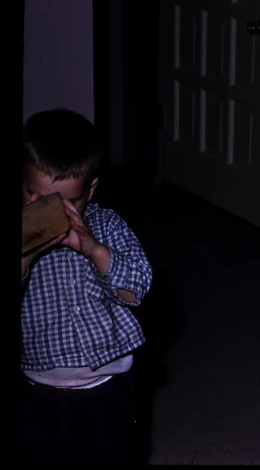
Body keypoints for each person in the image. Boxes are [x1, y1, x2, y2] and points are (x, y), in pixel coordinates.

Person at [20, 108, 153, 465]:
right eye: (34, 196)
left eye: (64, 203)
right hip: (39, 394)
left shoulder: (105, 224)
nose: (45, 211)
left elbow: (136, 289)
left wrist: (95, 250)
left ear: (89, 190)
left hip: (107, 390)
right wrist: (27, 256)